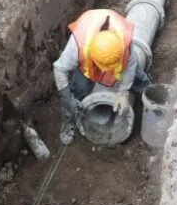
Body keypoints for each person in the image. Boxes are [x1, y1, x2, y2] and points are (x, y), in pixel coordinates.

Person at [53, 9, 151, 144]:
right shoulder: (77, 46)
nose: (106, 72)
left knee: (137, 76)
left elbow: (130, 66)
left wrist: (123, 92)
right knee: (77, 91)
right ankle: (68, 126)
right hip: (87, 58)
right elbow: (59, 69)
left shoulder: (124, 43)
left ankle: (150, 97)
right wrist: (67, 97)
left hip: (117, 53)